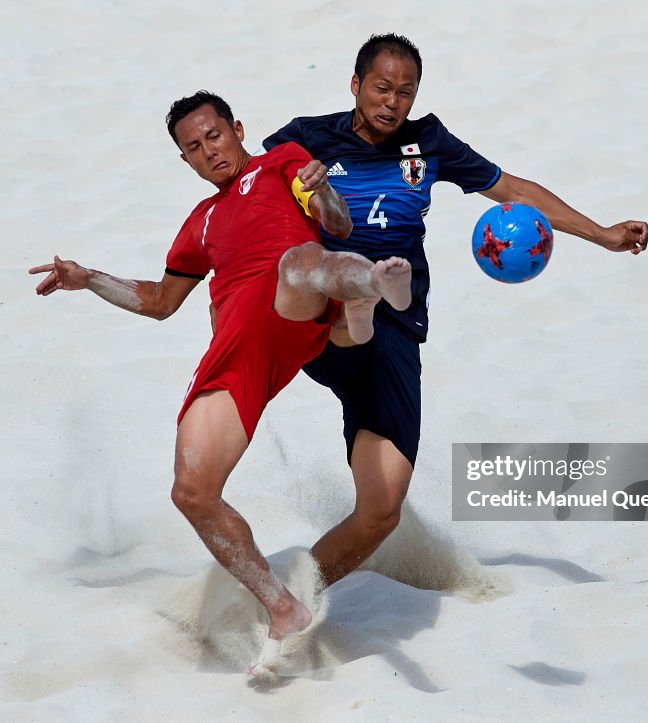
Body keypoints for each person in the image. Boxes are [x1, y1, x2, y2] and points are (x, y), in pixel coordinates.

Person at [261, 34, 648, 587]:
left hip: (396, 328)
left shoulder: (429, 142)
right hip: (324, 314)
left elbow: (511, 187)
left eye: (405, 91)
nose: (392, 102)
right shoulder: (305, 138)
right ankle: (358, 303)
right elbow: (250, 198)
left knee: (381, 511)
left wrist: (602, 233)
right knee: (344, 302)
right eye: (381, 88)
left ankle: (290, 599)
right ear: (354, 85)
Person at [28, 91, 412, 655]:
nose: (209, 151)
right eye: (193, 147)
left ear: (236, 128)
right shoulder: (198, 225)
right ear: (184, 160)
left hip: (292, 298)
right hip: (238, 349)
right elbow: (160, 301)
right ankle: (283, 608)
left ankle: (373, 288)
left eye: (214, 136)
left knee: (302, 264)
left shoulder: (281, 163)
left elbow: (339, 223)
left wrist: (324, 188)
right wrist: (89, 279)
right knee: (192, 491)